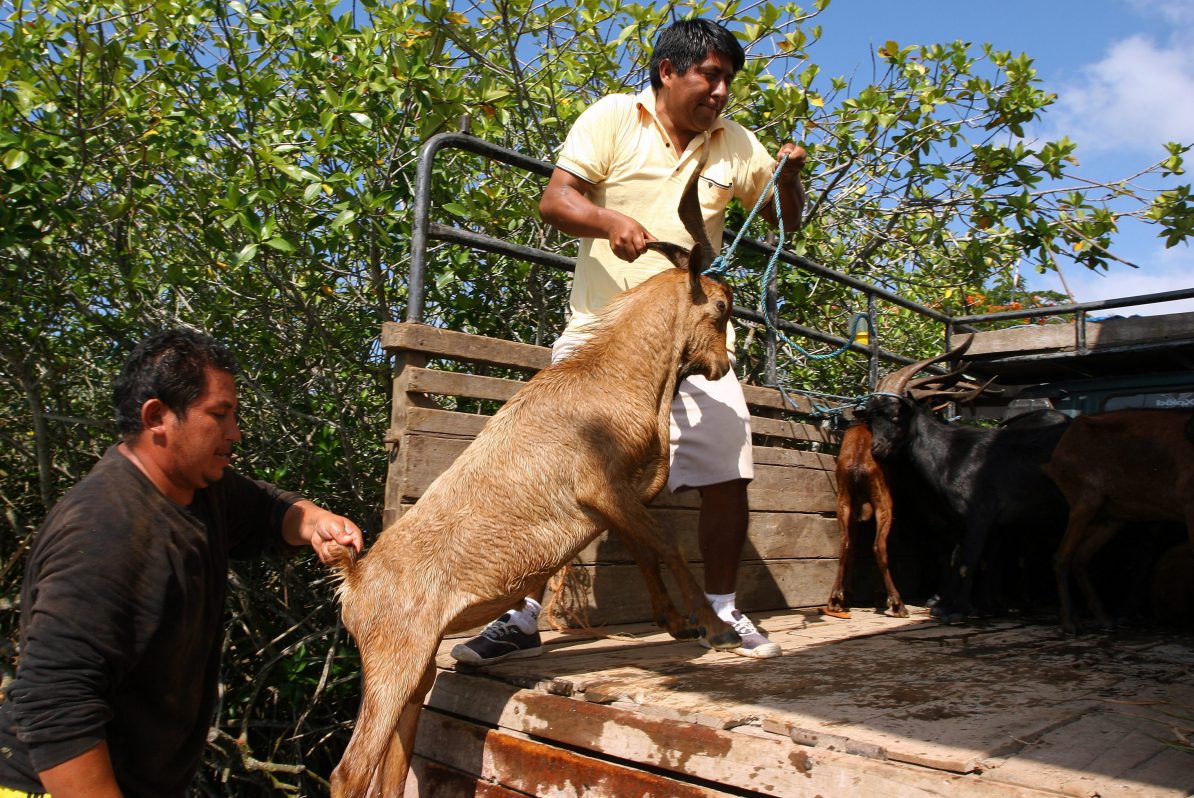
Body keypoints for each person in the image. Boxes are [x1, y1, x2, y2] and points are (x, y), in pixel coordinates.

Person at [451, 18, 806, 666]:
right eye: (712, 75)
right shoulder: (614, 116)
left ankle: (723, 610)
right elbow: (556, 201)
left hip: (691, 338)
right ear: (669, 72)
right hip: (600, 337)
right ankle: (521, 616)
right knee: (549, 478)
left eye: (729, 79)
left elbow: (787, 224)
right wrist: (608, 218)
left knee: (730, 465)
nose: (723, 91)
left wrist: (785, 179)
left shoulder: (737, 145)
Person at [0, 329, 363, 798]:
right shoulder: (106, 530)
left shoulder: (199, 488)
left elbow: (270, 511)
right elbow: (54, 704)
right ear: (157, 417)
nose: (235, 432)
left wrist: (315, 523)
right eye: (219, 415)